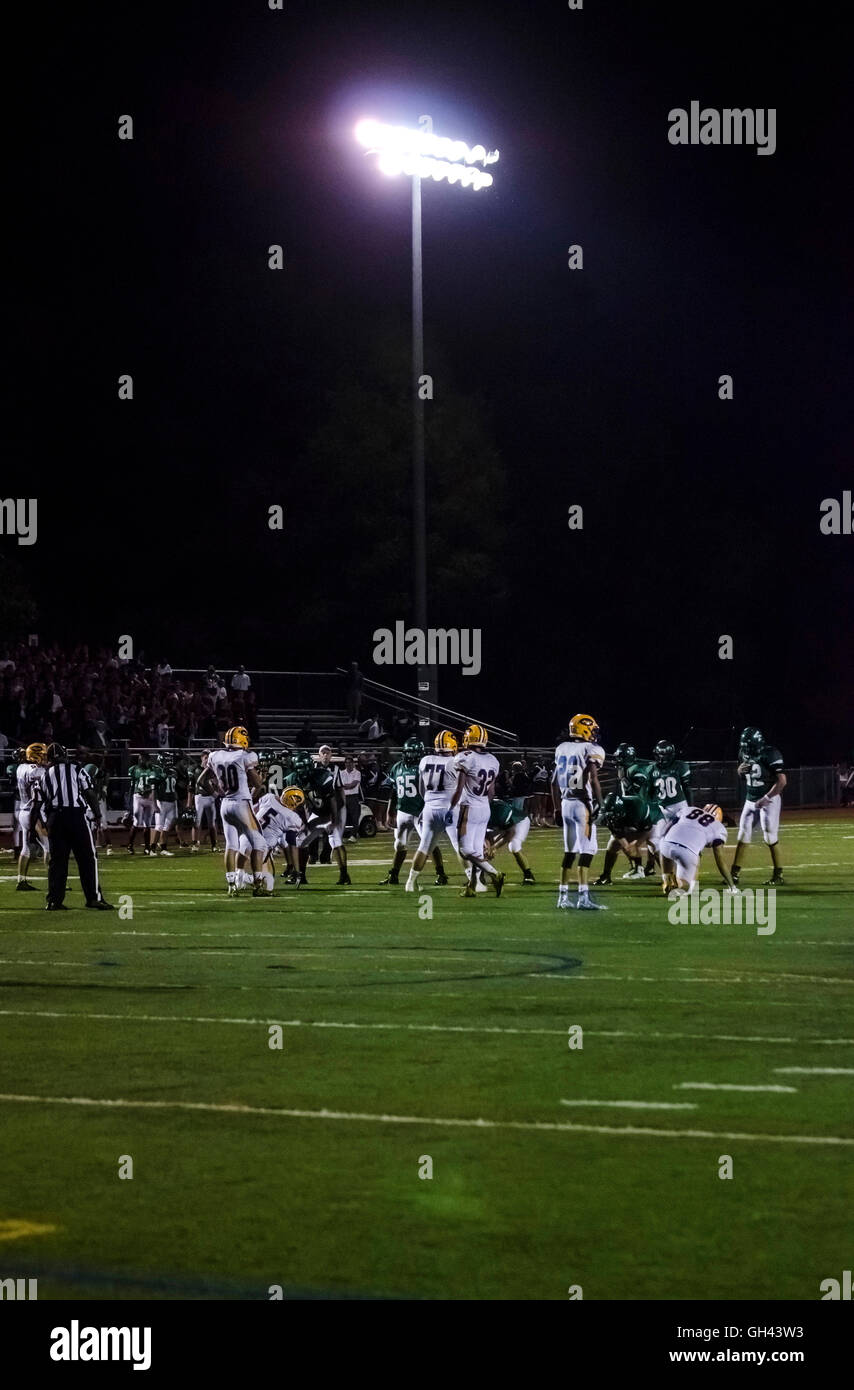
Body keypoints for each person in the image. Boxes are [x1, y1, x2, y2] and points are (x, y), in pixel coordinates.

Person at [39, 742, 113, 910]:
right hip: (76, 816)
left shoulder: (45, 775)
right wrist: (98, 814)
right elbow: (89, 792)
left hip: (55, 818)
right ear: (65, 755)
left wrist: (44, 822)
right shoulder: (76, 769)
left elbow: (41, 801)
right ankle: (93, 898)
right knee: (87, 858)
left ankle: (54, 900)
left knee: (58, 861)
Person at [553, 713, 606, 911]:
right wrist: (600, 803)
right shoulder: (590, 749)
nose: (594, 734)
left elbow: (553, 783)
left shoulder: (561, 749)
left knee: (569, 852)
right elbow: (593, 778)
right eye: (592, 729)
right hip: (582, 803)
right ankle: (583, 897)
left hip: (566, 803)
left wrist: (557, 807)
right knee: (588, 850)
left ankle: (563, 896)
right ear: (584, 729)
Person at [208, 726, 269, 896]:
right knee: (259, 843)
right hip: (241, 803)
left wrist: (217, 792)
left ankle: (232, 885)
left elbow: (202, 780)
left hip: (225, 804)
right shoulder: (245, 756)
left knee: (231, 845)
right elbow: (258, 784)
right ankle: (258, 885)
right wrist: (262, 776)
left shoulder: (215, 755)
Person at [449, 724, 505, 899]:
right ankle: (471, 887)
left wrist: (451, 808)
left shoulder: (465, 757)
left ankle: (494, 874)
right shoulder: (493, 760)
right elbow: (491, 791)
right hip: (484, 807)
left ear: (468, 739)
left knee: (465, 850)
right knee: (477, 852)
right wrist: (483, 806)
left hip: (469, 807)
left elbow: (458, 789)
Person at [405, 731, 461, 892]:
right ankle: (475, 880)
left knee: (424, 847)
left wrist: (428, 803)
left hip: (429, 807)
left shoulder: (425, 761)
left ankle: (410, 882)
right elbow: (460, 789)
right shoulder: (455, 761)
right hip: (449, 808)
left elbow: (422, 789)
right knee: (460, 846)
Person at [731, 728, 787, 887]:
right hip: (750, 799)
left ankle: (778, 874)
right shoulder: (744, 752)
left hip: (769, 800)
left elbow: (782, 781)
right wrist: (739, 771)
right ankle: (734, 874)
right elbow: (743, 774)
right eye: (745, 746)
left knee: (770, 837)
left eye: (749, 745)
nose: (747, 749)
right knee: (742, 835)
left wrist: (766, 798)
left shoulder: (770, 753)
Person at [661, 803, 738, 896]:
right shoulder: (718, 827)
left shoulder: (688, 810)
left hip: (666, 844)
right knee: (686, 887)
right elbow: (720, 861)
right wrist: (732, 886)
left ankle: (666, 877)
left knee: (666, 846)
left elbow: (665, 829)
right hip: (687, 852)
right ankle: (679, 883)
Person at [15, 742, 49, 891]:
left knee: (26, 848)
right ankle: (54, 880)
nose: (45, 757)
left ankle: (21, 880)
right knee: (49, 847)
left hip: (23, 810)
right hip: (34, 811)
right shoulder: (36, 771)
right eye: (43, 755)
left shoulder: (20, 768)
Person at [338, 755, 362, 837]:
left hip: (353, 797)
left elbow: (352, 785)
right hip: (343, 797)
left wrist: (345, 786)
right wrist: (346, 786)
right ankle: (341, 834)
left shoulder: (357, 773)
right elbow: (340, 786)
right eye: (347, 763)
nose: (348, 764)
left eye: (350, 763)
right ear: (345, 764)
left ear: (353, 763)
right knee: (342, 816)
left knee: (354, 816)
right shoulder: (341, 773)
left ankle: (353, 835)